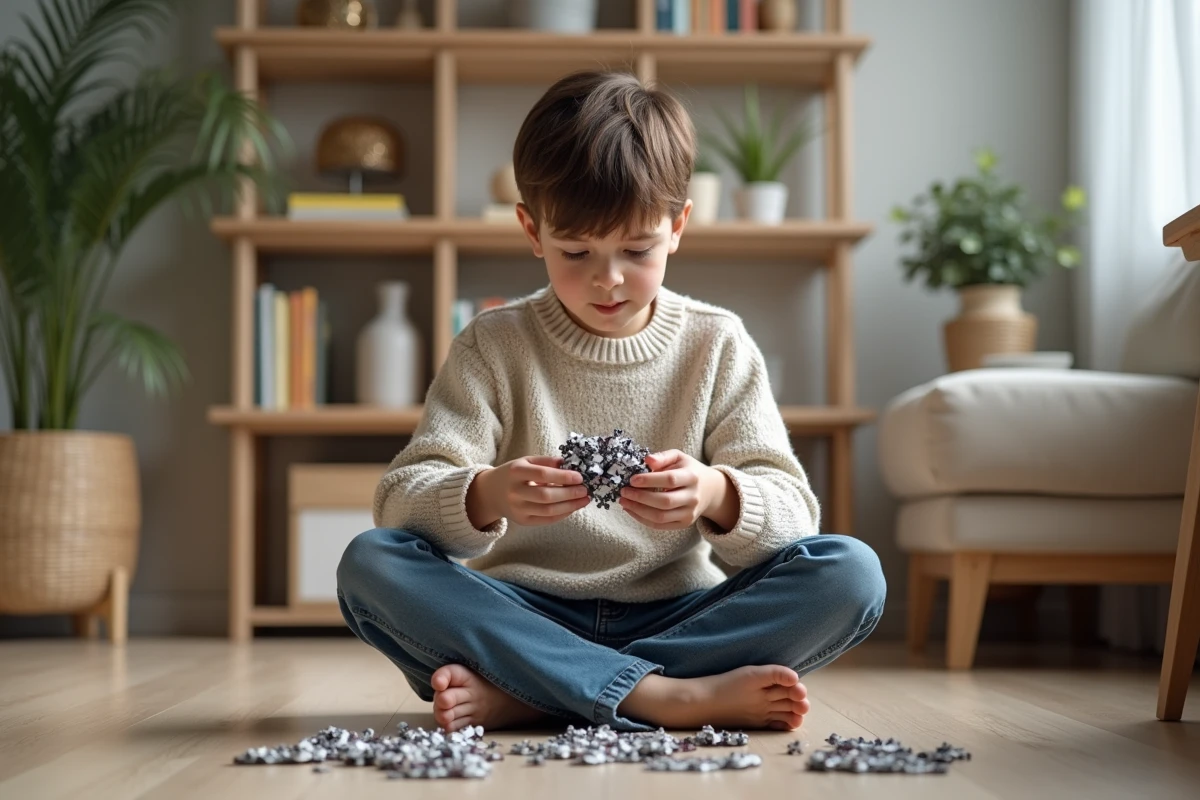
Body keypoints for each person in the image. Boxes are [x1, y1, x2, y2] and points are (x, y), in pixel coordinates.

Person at [336, 69, 886, 735]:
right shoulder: (492, 344)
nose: (609, 278)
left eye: (637, 247)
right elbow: (400, 499)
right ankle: (663, 696)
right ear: (532, 230)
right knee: (371, 563)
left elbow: (796, 518)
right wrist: (489, 493)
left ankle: (541, 694)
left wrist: (716, 494)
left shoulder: (718, 344)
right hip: (520, 612)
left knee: (851, 574)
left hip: (679, 613)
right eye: (576, 251)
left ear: (678, 225)